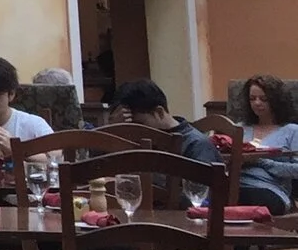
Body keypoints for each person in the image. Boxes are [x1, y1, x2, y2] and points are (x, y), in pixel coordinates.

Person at [113, 79, 292, 214]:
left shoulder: (195, 144)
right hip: (141, 218)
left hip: (178, 224)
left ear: (159, 112)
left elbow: (204, 198)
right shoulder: (135, 141)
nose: (135, 131)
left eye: (139, 124)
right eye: (252, 99)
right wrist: (114, 131)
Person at [242, 77, 298, 152]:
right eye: (252, 99)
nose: (257, 103)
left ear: (276, 101)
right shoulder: (239, 129)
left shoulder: (293, 131)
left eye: (264, 99)